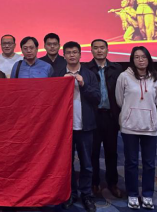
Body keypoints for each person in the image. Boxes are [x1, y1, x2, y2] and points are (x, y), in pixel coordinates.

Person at [116, 46, 157, 210]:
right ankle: (133, 194)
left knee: (149, 163)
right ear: (132, 60)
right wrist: (129, 113)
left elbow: (156, 100)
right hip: (130, 127)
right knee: (131, 162)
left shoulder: (155, 78)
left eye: (143, 57)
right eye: (137, 57)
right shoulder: (124, 77)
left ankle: (148, 195)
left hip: (149, 126)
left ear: (148, 59)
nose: (140, 60)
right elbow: (120, 100)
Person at [56, 42, 100, 213]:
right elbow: (52, 100)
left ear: (80, 54)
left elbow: (97, 98)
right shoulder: (58, 73)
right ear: (64, 55)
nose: (72, 55)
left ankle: (86, 195)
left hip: (85, 127)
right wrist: (61, 84)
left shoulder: (89, 74)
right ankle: (70, 194)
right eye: (68, 52)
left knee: (87, 164)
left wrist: (83, 84)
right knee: (66, 165)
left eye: (75, 52)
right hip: (64, 129)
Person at [85, 39, 123, 198]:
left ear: (107, 50)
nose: (99, 51)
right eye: (96, 48)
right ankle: (94, 182)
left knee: (111, 151)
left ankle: (112, 183)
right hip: (93, 116)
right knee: (93, 152)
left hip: (110, 115)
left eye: (102, 48)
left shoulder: (117, 69)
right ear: (91, 50)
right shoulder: (86, 69)